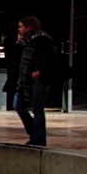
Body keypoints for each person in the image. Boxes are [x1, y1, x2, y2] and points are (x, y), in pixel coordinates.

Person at [8, 16, 64, 147]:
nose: (19, 29)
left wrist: (39, 70)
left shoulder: (43, 39)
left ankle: (39, 138)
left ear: (29, 27)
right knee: (17, 104)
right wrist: (18, 43)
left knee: (37, 107)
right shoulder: (23, 42)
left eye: (21, 26)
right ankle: (34, 130)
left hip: (39, 79)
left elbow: (49, 58)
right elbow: (15, 60)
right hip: (24, 79)